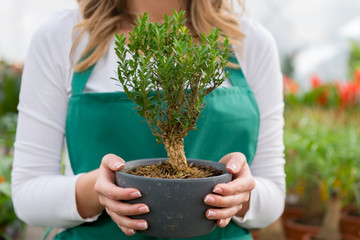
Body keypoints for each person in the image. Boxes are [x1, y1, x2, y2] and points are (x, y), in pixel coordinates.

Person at [11, 0, 286, 239]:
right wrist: (98, 190)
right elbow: (27, 195)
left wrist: (241, 195)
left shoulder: (249, 41)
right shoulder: (63, 36)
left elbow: (273, 196)